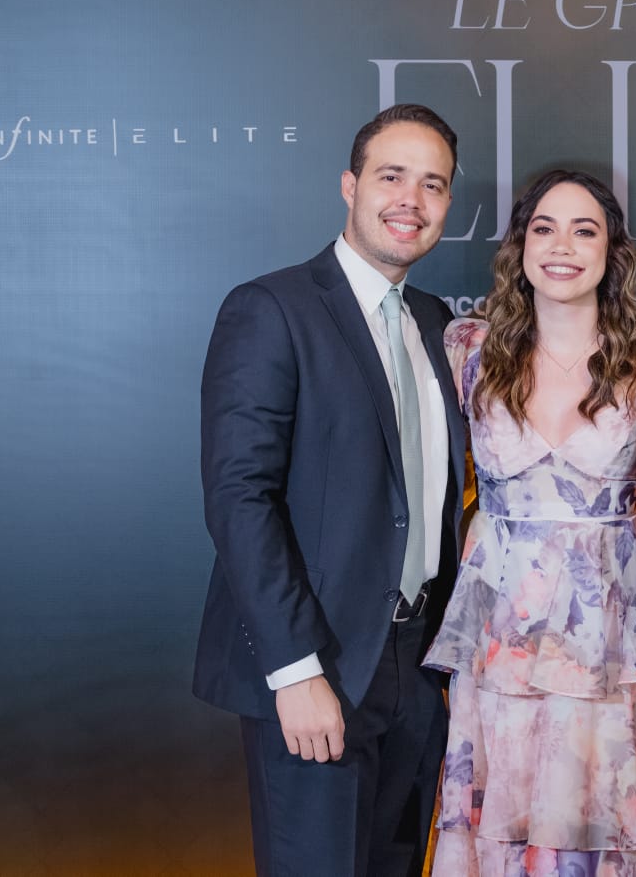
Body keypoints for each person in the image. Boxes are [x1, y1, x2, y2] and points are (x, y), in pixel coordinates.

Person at [192, 103, 467, 876]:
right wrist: (295, 669)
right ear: (350, 186)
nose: (410, 199)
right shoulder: (271, 308)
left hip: (418, 667)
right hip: (321, 665)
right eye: (391, 176)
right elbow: (239, 497)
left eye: (432, 184)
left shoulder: (435, 321)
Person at [424, 169, 636, 875]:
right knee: (505, 829)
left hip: (614, 644)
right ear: (520, 245)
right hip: (501, 644)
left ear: (611, 251)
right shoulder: (467, 347)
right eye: (544, 228)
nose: (562, 246)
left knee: (612, 828)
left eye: (584, 230)